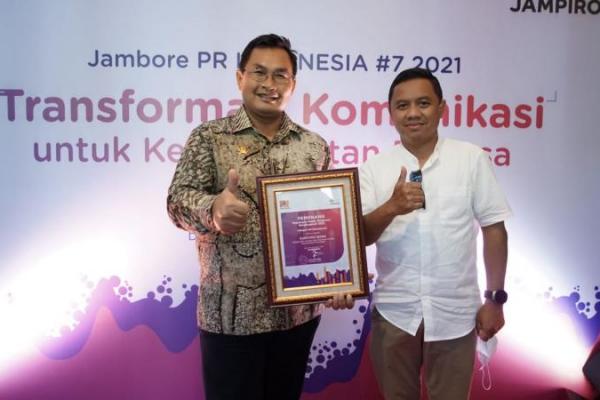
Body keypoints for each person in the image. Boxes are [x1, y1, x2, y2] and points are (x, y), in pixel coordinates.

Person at [167, 34, 353, 400]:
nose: (270, 83)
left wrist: (337, 276)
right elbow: (176, 202)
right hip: (230, 319)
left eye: (280, 75)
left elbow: (323, 227)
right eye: (259, 72)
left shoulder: (313, 146)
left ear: (292, 84)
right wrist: (213, 209)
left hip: (296, 319)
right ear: (240, 77)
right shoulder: (209, 138)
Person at [360, 67, 512, 400]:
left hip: (455, 311)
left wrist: (495, 299)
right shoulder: (374, 168)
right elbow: (362, 237)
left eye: (423, 103)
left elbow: (494, 229)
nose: (413, 113)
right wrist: (391, 207)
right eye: (402, 106)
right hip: (395, 312)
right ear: (390, 113)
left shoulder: (470, 159)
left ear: (442, 108)